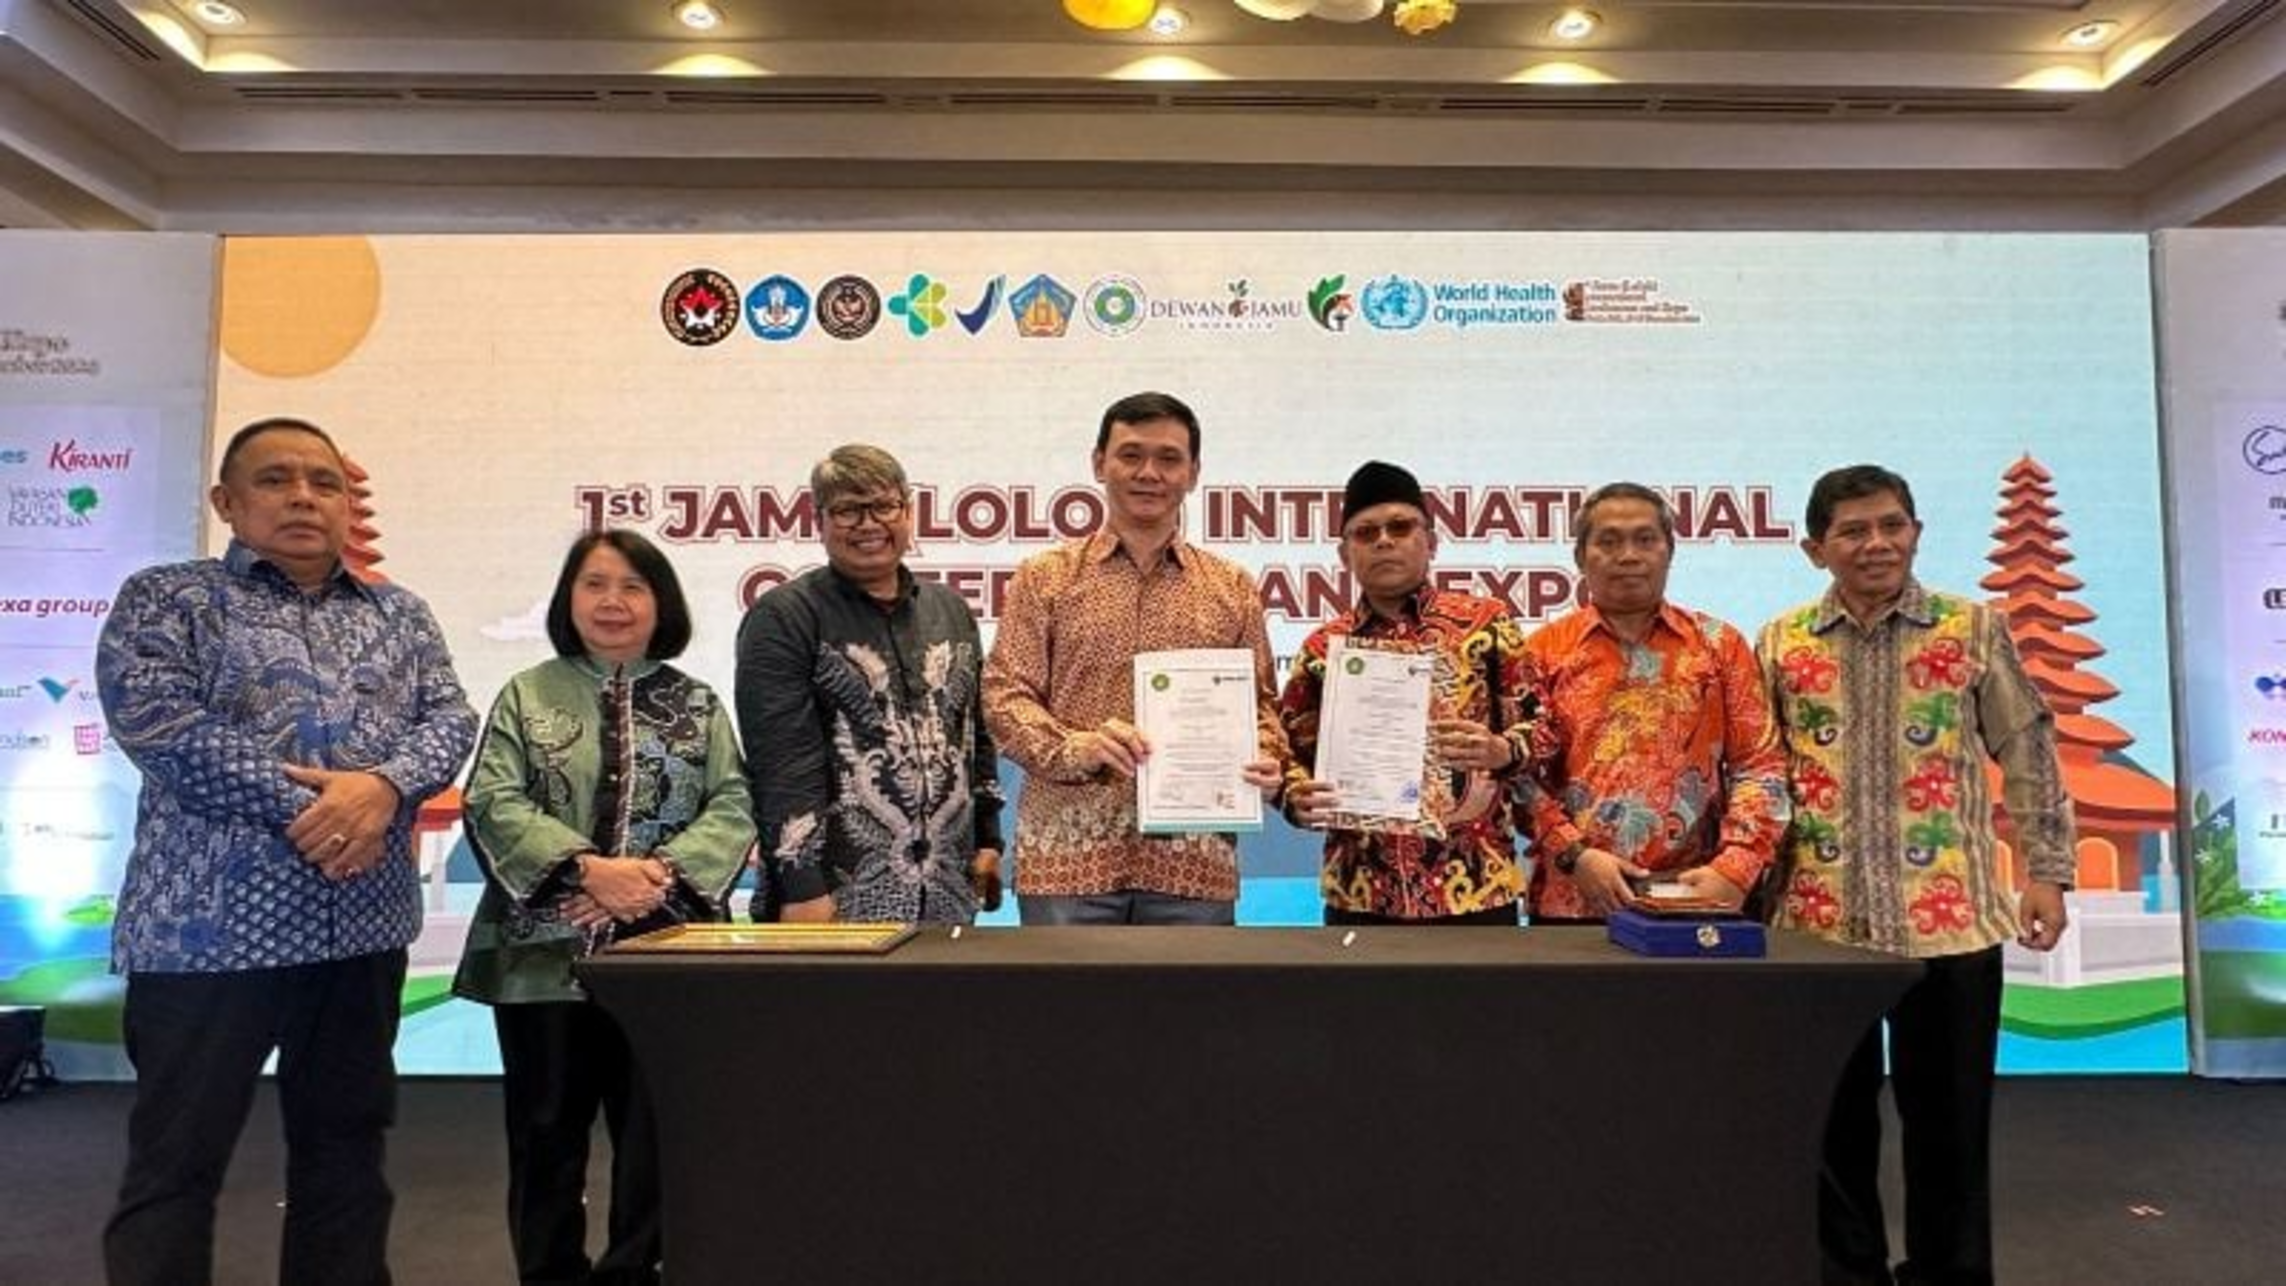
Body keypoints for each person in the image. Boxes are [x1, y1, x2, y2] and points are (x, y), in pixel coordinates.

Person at [94, 417, 478, 1286]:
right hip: (204, 934)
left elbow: (450, 718)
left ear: (347, 504)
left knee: (346, 1160)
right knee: (175, 1167)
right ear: (227, 502)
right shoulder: (169, 599)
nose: (303, 497)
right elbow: (160, 722)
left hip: (358, 931)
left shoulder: (400, 614)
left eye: (323, 481)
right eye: (275, 479)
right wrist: (331, 810)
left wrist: (383, 789)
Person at [1758, 465, 2073, 1286]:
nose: (1877, 544)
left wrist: (2047, 870)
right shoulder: (1782, 642)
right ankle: (1848, 1276)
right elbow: (1759, 776)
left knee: (1951, 1129)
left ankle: (1951, 1276)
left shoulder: (1972, 630)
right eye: (1854, 531)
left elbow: (2027, 748)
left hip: (1952, 923)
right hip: (1819, 928)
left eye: (1892, 525)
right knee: (1832, 1130)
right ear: (1814, 549)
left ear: (1917, 533)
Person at [452, 529, 752, 1286]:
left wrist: (653, 877)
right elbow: (493, 799)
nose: (612, 602)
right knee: (544, 1129)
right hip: (539, 956)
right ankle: (548, 1273)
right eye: (594, 584)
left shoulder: (698, 702)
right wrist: (587, 873)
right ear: (568, 600)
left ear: (662, 604)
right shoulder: (527, 694)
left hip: (666, 953)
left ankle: (632, 1272)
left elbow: (733, 801)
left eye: (632, 586)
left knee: (655, 1133)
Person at [983, 391, 1285, 925]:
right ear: (1099, 463)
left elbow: (1261, 705)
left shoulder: (1232, 587)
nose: (1149, 473)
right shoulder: (1044, 577)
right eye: (1131, 455)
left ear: (1193, 473)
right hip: (1067, 859)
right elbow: (1005, 697)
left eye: (1169, 458)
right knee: (1062, 988)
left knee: (1193, 988)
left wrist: (1264, 751)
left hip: (1193, 862)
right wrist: (1076, 748)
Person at [735, 443, 1003, 924]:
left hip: (948, 887)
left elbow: (974, 735)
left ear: (909, 511)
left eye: (883, 506)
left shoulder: (950, 611)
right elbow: (781, 766)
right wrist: (802, 888)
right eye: (847, 510)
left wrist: (989, 839)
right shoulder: (784, 617)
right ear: (818, 519)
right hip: (835, 897)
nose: (868, 524)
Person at [1279, 460, 1555, 924]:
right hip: (1360, 893)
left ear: (1431, 542)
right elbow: (1289, 749)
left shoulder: (1485, 625)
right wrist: (1295, 797)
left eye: (1400, 527)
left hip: (1476, 889)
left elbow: (1545, 729)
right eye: (1366, 533)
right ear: (1344, 554)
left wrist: (1502, 749)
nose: (1384, 541)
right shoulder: (1323, 648)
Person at [1518, 481, 1790, 921]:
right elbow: (1519, 777)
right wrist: (1574, 853)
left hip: (1698, 891)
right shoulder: (1541, 652)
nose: (1628, 555)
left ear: (1670, 551)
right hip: (1574, 898)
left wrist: (1735, 869)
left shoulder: (1719, 645)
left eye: (1645, 539)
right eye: (1609, 541)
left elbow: (1760, 766)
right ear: (1580, 557)